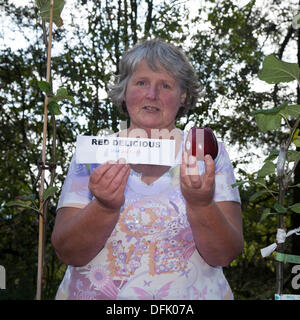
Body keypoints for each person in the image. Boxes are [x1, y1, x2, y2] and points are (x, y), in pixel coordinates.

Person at [51, 39, 243, 300]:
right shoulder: (94, 154)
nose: (152, 95)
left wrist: (201, 204)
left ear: (183, 95)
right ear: (125, 89)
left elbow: (225, 253)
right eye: (141, 82)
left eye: (165, 85)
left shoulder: (204, 152)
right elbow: (67, 252)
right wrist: (104, 206)